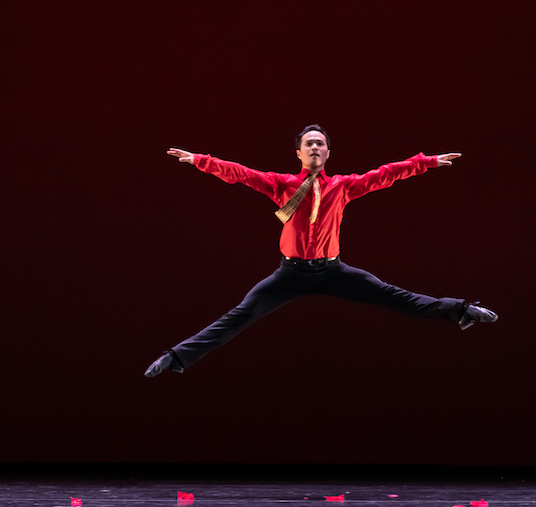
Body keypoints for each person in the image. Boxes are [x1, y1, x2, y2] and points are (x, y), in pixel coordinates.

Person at [145, 124, 497, 377]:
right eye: (309, 144)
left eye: (320, 144)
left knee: (397, 297)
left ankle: (462, 310)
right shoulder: (282, 184)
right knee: (237, 317)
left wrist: (426, 162)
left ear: (328, 153)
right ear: (298, 152)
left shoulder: (342, 187)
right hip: (290, 274)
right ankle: (174, 358)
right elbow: (240, 173)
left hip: (332, 272)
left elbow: (385, 174)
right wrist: (199, 160)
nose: (315, 148)